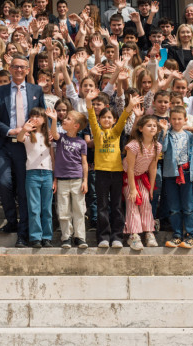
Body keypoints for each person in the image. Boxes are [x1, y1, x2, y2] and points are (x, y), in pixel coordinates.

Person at [0, 55, 46, 247]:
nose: (19, 70)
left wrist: (37, 131)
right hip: (4, 143)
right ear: (10, 69)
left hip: (27, 146)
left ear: (28, 70)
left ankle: (23, 233)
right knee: (4, 184)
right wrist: (8, 130)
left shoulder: (36, 90)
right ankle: (12, 221)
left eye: (23, 67)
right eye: (15, 67)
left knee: (23, 190)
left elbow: (42, 115)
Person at [86, 89, 138, 248]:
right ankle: (103, 237)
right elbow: (91, 117)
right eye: (103, 117)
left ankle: (117, 237)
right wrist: (89, 101)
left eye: (109, 117)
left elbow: (123, 119)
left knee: (116, 206)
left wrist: (130, 106)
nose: (106, 119)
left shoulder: (116, 132)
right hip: (101, 173)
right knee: (102, 206)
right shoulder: (97, 132)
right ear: (100, 119)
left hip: (116, 173)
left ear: (114, 120)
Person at [160, 106, 193, 249]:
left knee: (188, 207)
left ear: (185, 120)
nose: (177, 121)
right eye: (174, 119)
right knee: (174, 207)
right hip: (171, 174)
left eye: (179, 119)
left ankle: (191, 236)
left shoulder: (190, 136)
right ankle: (177, 234)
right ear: (169, 120)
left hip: (187, 174)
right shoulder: (167, 134)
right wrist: (164, 132)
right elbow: (163, 149)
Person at [16, 107, 56, 249]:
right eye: (33, 116)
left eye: (39, 116)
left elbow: (52, 156)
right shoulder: (28, 135)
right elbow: (19, 139)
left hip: (47, 173)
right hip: (32, 174)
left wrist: (54, 177)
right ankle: (35, 237)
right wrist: (23, 129)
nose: (35, 118)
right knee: (34, 208)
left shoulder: (49, 135)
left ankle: (47, 237)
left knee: (47, 208)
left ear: (44, 119)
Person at [51, 109, 89, 250]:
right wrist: (54, 119)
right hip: (62, 180)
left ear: (76, 125)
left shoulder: (81, 142)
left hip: (77, 180)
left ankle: (80, 237)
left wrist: (85, 181)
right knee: (63, 210)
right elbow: (54, 134)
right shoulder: (61, 137)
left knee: (79, 209)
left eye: (68, 118)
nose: (64, 120)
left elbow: (84, 163)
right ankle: (66, 236)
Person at [123, 114, 161, 250]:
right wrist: (133, 189)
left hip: (142, 177)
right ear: (140, 128)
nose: (152, 128)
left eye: (154, 126)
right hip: (129, 178)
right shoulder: (133, 146)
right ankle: (134, 235)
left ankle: (149, 232)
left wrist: (150, 187)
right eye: (149, 125)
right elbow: (130, 169)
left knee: (145, 200)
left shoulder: (157, 146)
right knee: (133, 200)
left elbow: (153, 167)